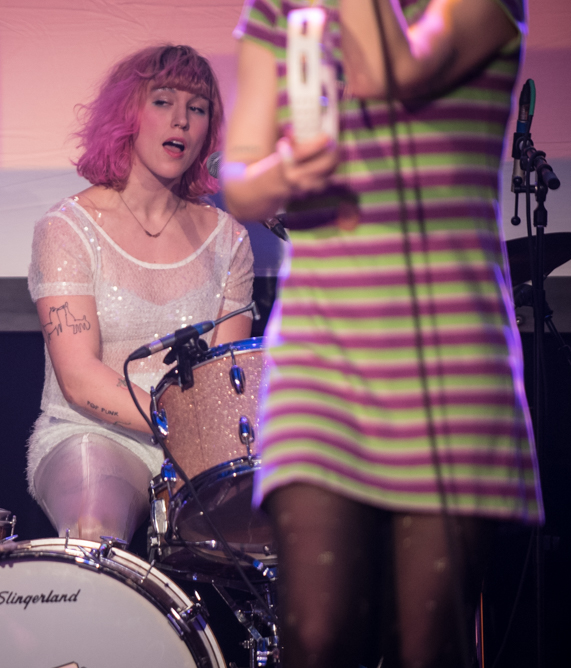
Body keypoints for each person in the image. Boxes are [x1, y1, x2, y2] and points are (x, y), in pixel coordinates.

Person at [222, 1, 543, 666]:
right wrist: (283, 174)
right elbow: (240, 179)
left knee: (430, 648)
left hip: (451, 352)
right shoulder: (283, 8)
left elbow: (388, 69)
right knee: (315, 634)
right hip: (322, 349)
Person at [27, 45, 255, 544]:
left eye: (197, 108)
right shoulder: (68, 229)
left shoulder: (230, 240)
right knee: (95, 526)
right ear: (127, 112)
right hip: (93, 431)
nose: (181, 121)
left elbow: (225, 380)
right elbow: (79, 378)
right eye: (162, 102)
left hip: (199, 453)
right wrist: (179, 423)